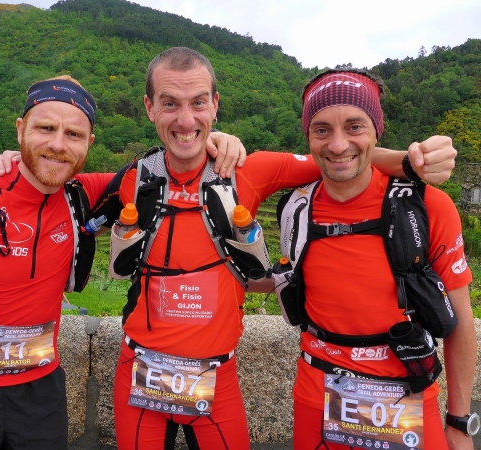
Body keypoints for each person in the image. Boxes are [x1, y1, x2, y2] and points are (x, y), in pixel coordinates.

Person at [69, 47, 457, 450]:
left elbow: (337, 156)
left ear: (215, 105)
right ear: (149, 108)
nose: (185, 119)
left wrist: (412, 162)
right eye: (170, 103)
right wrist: (28, 133)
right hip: (140, 370)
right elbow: (56, 173)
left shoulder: (247, 170)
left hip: (216, 377)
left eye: (198, 102)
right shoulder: (134, 178)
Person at [0, 74, 247, 449]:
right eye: (45, 128)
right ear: (20, 129)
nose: (58, 144)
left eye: (73, 134)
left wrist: (217, 140)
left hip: (40, 398)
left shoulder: (85, 194)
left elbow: (173, 163)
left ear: (89, 143)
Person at [274, 69, 476, 450]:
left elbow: (462, 321)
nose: (337, 145)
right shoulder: (296, 208)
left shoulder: (428, 207)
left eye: (355, 126)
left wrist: (459, 421)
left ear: (376, 130)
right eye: (321, 130)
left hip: (408, 398)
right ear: (308, 136)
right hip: (318, 398)